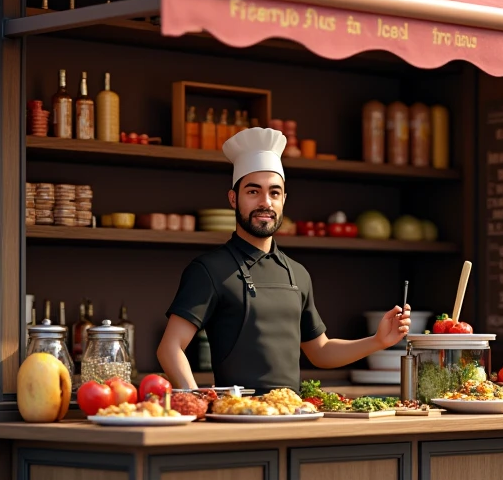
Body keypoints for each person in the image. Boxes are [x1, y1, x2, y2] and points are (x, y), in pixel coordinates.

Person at [157, 126, 410, 392]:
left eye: (274, 193)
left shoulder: (297, 273)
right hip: (236, 420)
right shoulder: (209, 270)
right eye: (253, 192)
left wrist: (378, 341)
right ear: (233, 199)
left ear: (284, 200)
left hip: (292, 416)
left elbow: (320, 351)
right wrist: (197, 398)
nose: (265, 202)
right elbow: (170, 348)